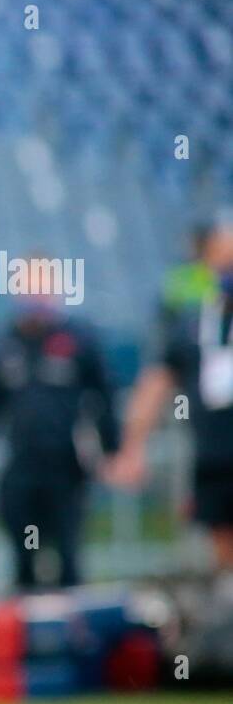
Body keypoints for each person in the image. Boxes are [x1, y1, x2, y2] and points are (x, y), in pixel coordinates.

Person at [0, 263, 119, 590]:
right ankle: (28, 627)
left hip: (66, 467)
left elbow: (104, 397)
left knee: (68, 556)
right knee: (24, 554)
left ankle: (71, 630)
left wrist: (113, 451)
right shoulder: (5, 342)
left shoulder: (78, 339)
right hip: (19, 467)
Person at [110, 224, 233, 576]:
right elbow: (155, 383)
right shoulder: (192, 327)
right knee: (222, 555)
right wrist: (133, 446)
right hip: (214, 457)